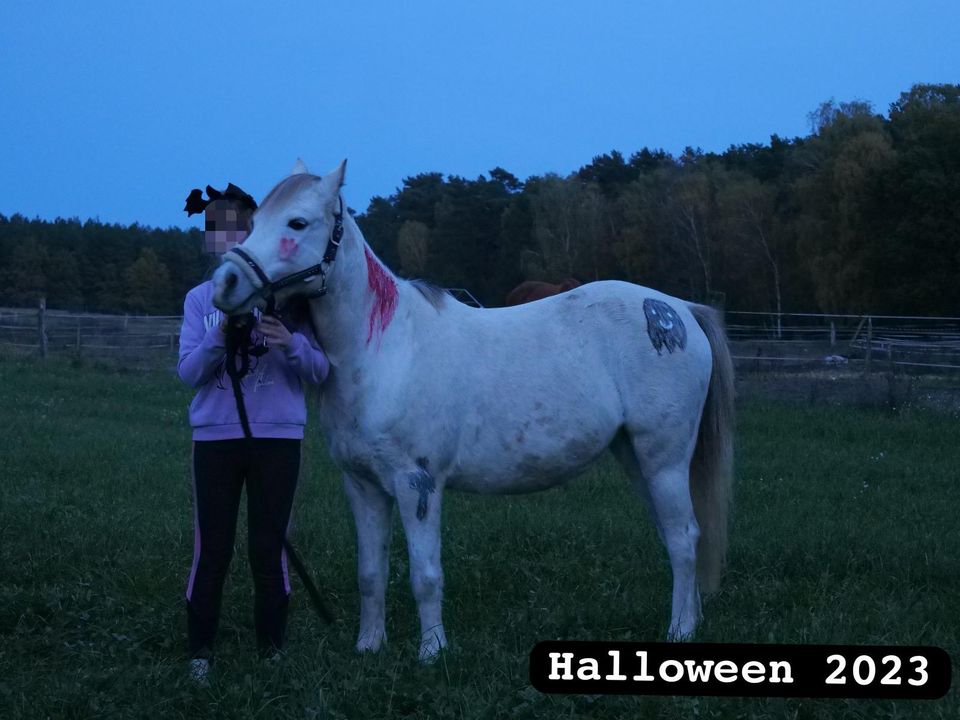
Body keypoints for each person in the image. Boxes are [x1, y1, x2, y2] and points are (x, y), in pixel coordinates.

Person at [178, 183, 330, 682]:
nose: (223, 239)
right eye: (213, 232)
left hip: (278, 438)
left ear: (253, 234)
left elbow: (320, 371)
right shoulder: (200, 300)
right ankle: (200, 649)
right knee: (212, 545)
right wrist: (218, 337)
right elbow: (188, 373)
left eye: (234, 229)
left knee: (270, 545)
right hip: (215, 438)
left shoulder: (291, 304)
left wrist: (289, 343)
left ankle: (273, 649)